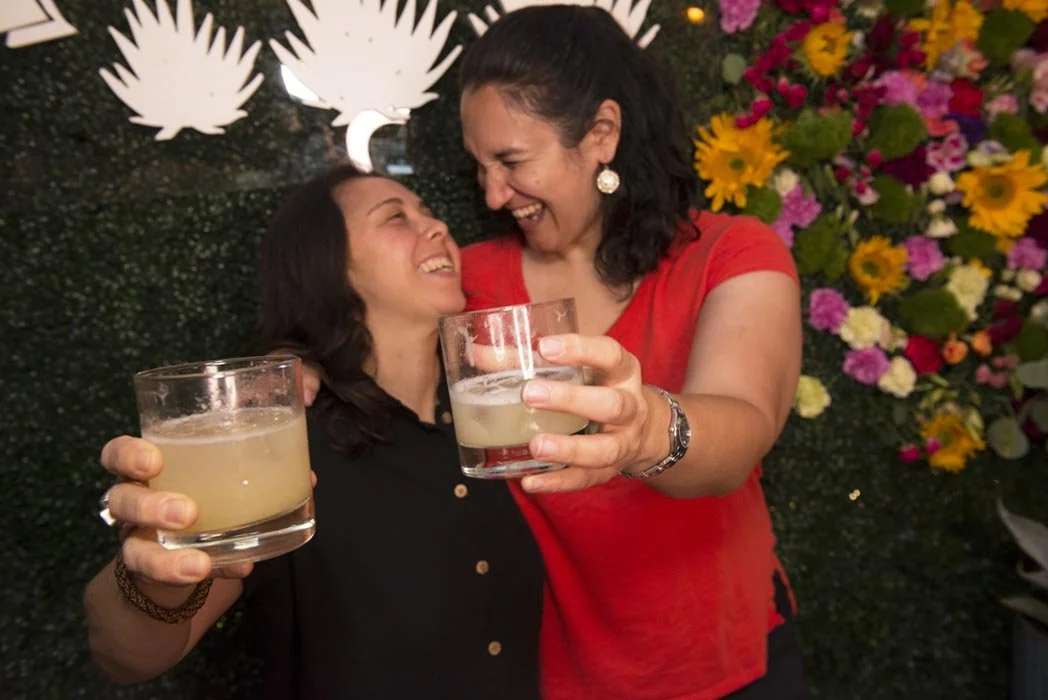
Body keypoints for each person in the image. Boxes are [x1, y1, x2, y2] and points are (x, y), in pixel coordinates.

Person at [82, 164, 545, 700]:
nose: (438, 226)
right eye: (396, 218)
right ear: (329, 265)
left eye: (428, 211)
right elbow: (125, 657)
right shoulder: (284, 441)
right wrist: (149, 578)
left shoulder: (489, 413)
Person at [454, 6, 807, 699]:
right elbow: (355, 325)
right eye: (480, 167)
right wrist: (310, 361)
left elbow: (742, 426)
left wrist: (645, 431)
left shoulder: (731, 253)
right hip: (556, 674)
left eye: (512, 162)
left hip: (725, 663)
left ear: (601, 135)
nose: (493, 194)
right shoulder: (471, 281)